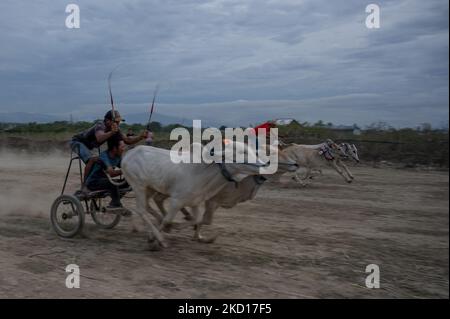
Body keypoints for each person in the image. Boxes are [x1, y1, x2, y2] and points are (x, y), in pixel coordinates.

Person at [70, 110, 147, 185]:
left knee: (100, 161)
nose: (118, 123)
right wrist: (112, 132)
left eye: (119, 121)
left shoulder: (116, 128)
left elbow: (126, 140)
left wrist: (140, 137)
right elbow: (99, 138)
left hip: (90, 146)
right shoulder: (100, 125)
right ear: (107, 121)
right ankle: (86, 185)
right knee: (92, 160)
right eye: (116, 121)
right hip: (77, 142)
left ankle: (100, 179)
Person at [84, 134, 128, 209]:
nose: (124, 149)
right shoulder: (104, 156)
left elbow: (125, 167)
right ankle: (115, 203)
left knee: (127, 182)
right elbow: (111, 173)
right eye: (122, 147)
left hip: (104, 181)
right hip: (94, 182)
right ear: (114, 148)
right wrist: (125, 171)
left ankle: (115, 201)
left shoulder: (118, 156)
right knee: (113, 184)